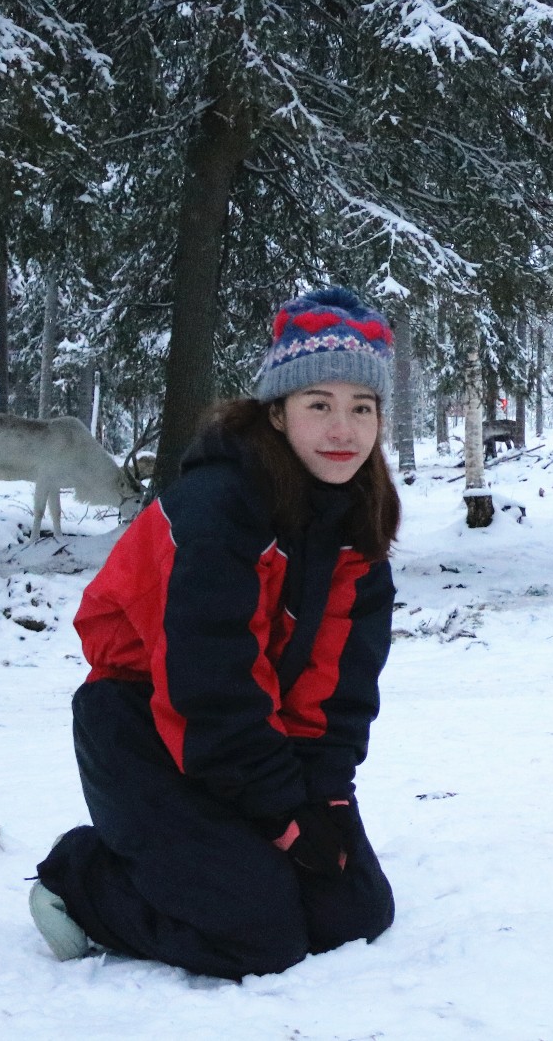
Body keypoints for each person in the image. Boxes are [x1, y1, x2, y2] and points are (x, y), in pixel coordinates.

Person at [29, 287, 401, 979]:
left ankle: (214, 854)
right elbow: (211, 691)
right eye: (319, 403)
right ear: (278, 410)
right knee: (259, 934)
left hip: (244, 735)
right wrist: (284, 818)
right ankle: (82, 875)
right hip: (139, 724)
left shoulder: (358, 525)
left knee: (354, 912)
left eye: (362, 407)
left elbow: (338, 689)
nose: (342, 428)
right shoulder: (218, 509)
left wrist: (324, 797)